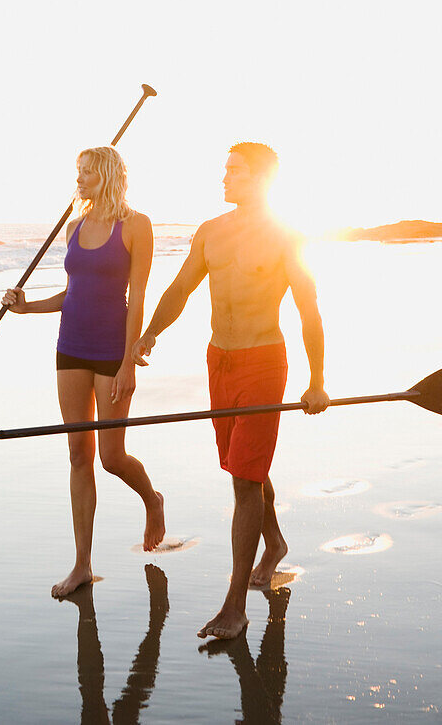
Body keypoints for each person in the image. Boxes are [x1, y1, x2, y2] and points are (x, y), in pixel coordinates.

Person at [132, 142, 329, 639]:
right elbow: (180, 290)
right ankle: (275, 541)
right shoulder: (210, 232)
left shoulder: (287, 236)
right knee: (244, 465)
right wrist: (151, 332)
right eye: (224, 170)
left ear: (262, 179)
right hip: (219, 360)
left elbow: (309, 309)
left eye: (235, 171)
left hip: (264, 362)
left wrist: (317, 381)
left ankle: (235, 605)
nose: (224, 178)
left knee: (243, 479)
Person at [3, 145, 165, 598]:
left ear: (109, 176)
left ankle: (152, 500)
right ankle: (82, 565)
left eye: (88, 173)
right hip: (69, 347)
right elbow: (72, 293)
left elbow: (138, 295)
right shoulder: (73, 226)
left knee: (111, 458)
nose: (79, 180)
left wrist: (130, 361)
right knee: (78, 455)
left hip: (112, 351)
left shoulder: (136, 226)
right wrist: (26, 307)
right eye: (77, 172)